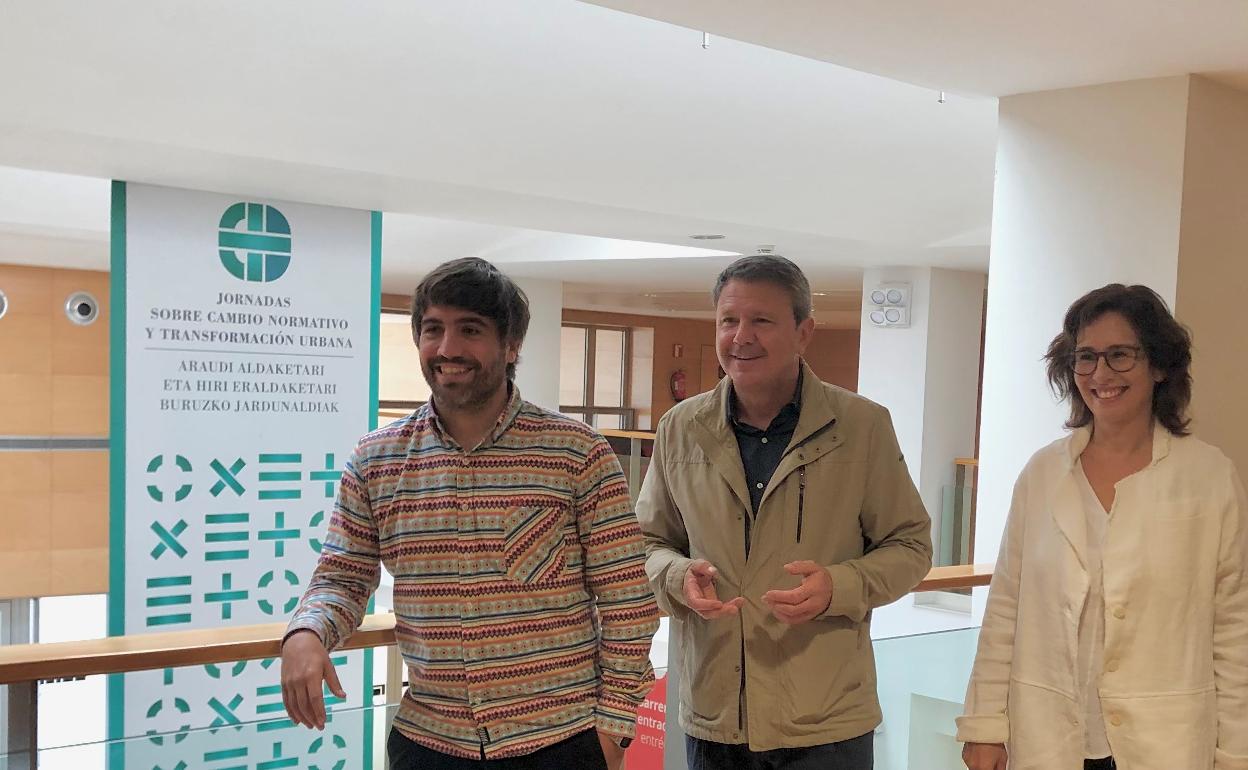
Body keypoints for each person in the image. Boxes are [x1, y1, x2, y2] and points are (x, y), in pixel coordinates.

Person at [280, 257, 660, 770]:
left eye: (470, 330)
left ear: (511, 346)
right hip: (429, 741)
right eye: (433, 329)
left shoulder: (577, 454)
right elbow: (342, 577)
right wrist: (306, 632)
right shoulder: (376, 460)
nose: (447, 348)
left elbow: (627, 603)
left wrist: (612, 730)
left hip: (561, 742)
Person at [636, 254, 933, 770]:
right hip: (715, 715)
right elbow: (644, 544)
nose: (741, 336)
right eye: (729, 320)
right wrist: (677, 575)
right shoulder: (680, 428)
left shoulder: (861, 426)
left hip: (826, 722)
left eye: (762, 320)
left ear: (803, 332)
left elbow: (911, 546)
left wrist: (839, 586)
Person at [958, 284, 1248, 769]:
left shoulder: (1209, 477)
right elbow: (1006, 605)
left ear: (1158, 365)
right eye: (1085, 357)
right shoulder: (1043, 473)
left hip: (1167, 740)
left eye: (1120, 355)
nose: (1100, 374)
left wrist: (1235, 753)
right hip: (1051, 733)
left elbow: (1233, 628)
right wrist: (985, 723)